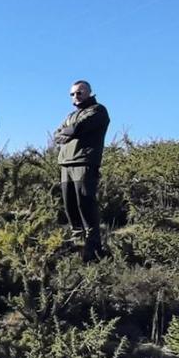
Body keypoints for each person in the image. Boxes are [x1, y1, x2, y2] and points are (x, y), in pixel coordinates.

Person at [54, 80, 111, 262]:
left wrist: (69, 132)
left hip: (85, 161)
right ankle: (78, 243)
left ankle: (93, 247)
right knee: (69, 205)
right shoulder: (71, 115)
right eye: (72, 94)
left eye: (79, 92)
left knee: (85, 203)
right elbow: (57, 134)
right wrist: (67, 132)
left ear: (89, 92)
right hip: (66, 163)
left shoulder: (98, 110)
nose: (76, 96)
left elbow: (78, 128)